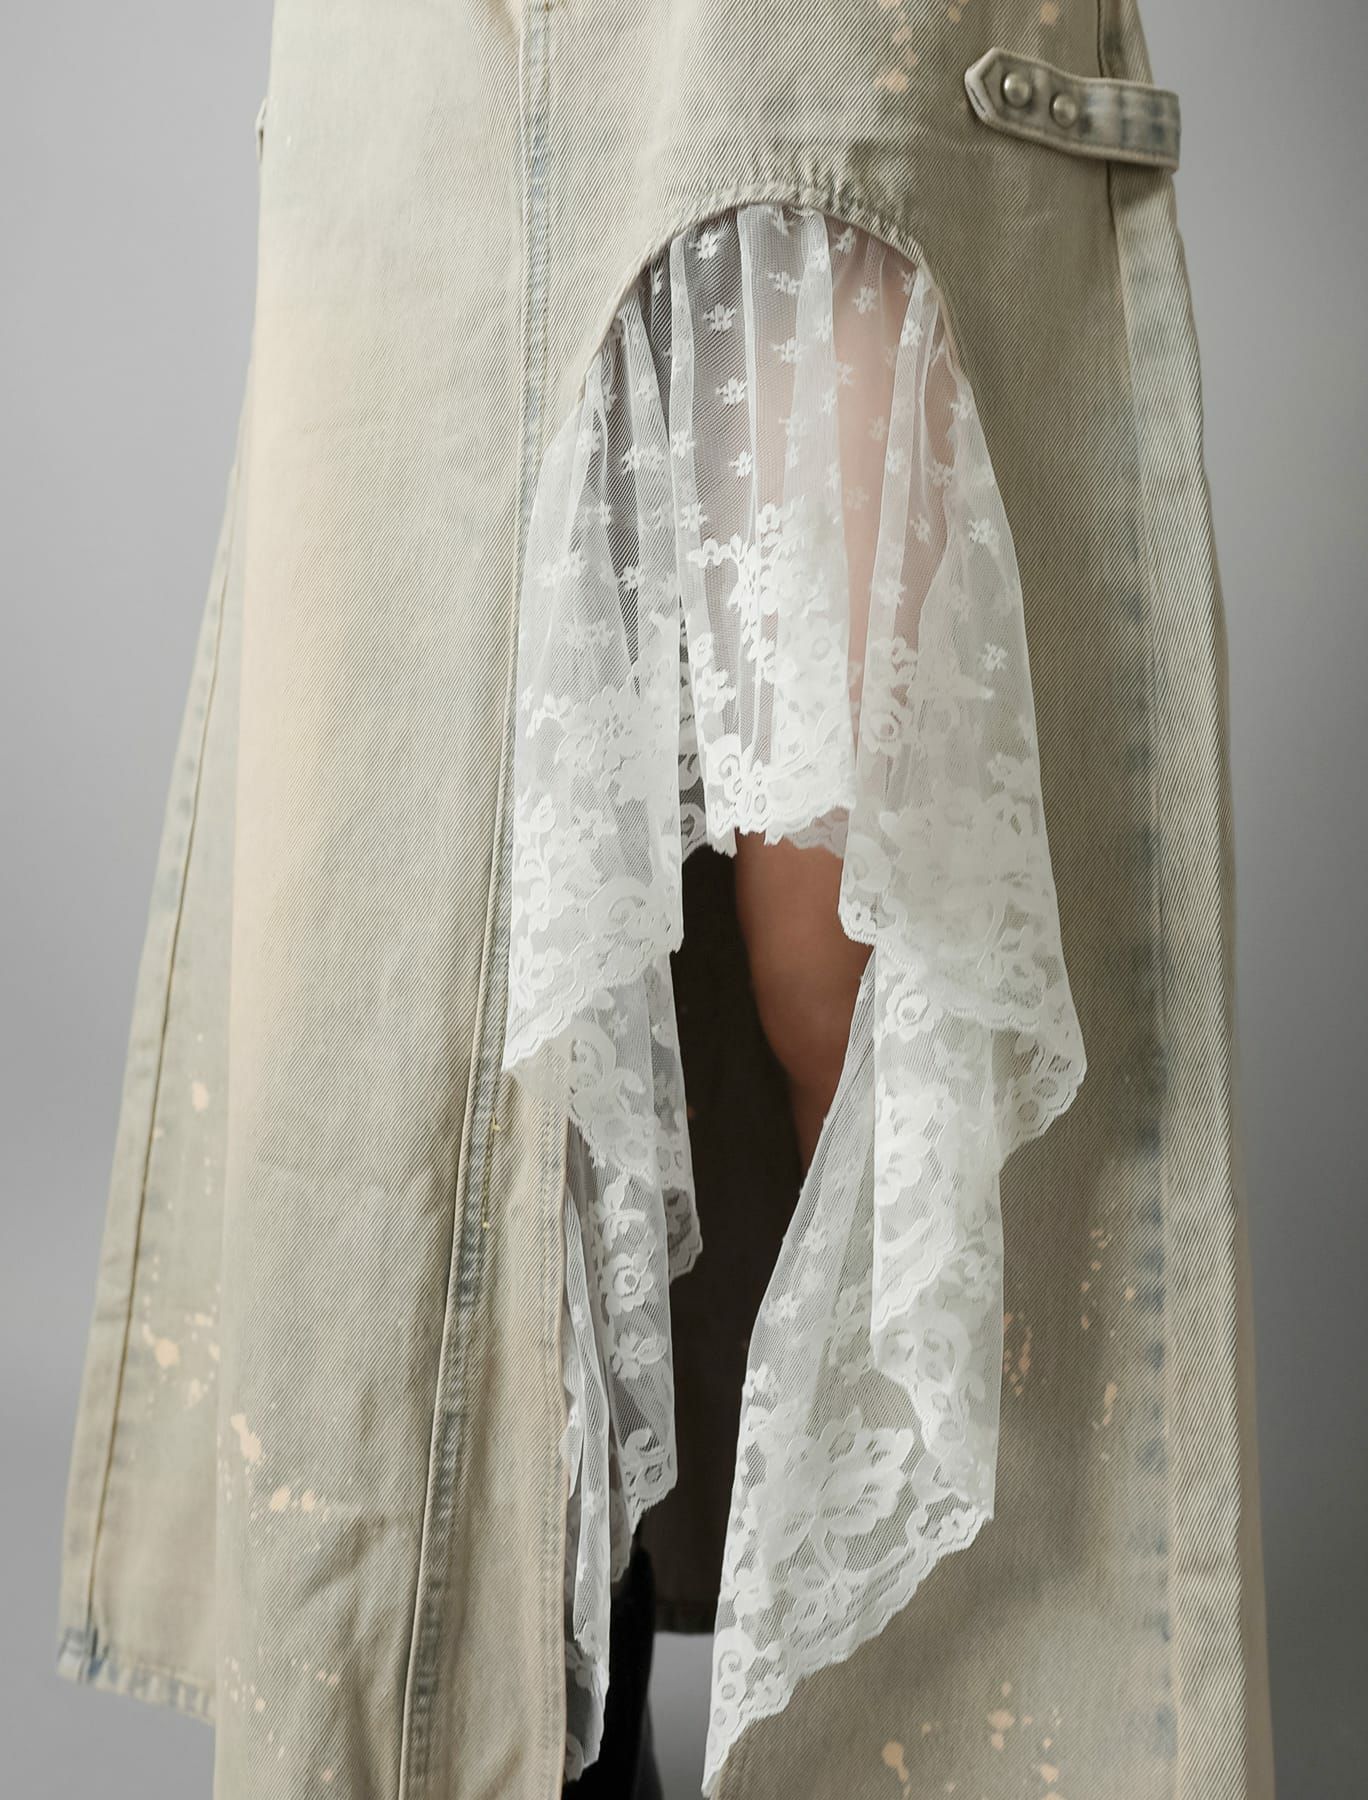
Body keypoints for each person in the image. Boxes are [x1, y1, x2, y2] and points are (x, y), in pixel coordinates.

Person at [56, 9, 1273, 1797]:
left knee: (882, 981)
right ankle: (553, 1711)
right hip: (456, 76)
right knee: (447, 963)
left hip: (828, 56)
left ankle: (949, 1735)